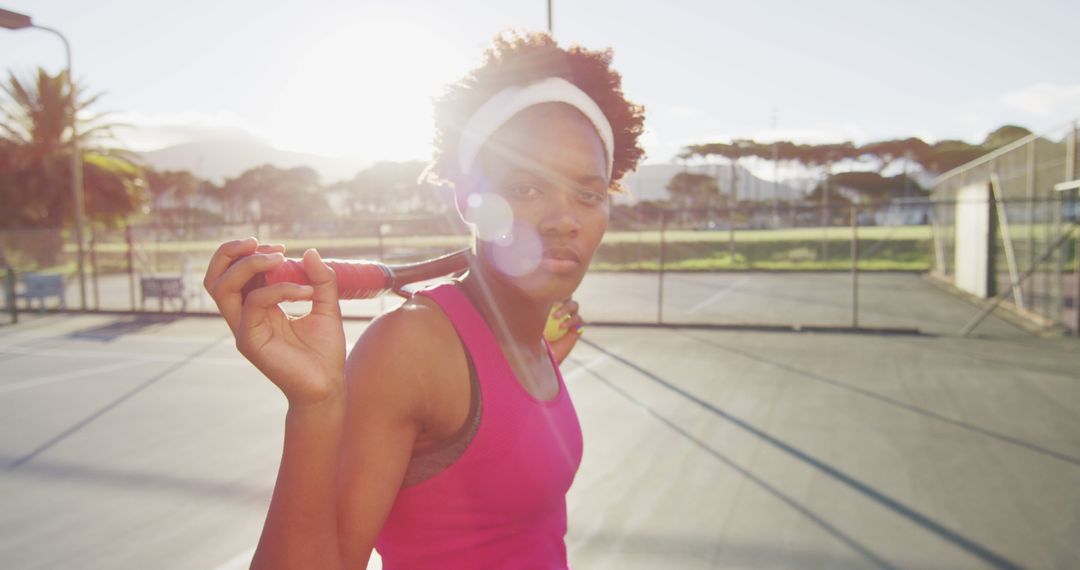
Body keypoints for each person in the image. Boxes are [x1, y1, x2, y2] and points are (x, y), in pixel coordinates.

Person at [203, 31, 645, 569]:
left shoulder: (534, 340)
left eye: (588, 194)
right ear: (469, 201)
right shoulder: (412, 346)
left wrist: (531, 360)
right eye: (526, 188)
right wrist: (315, 406)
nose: (564, 219)